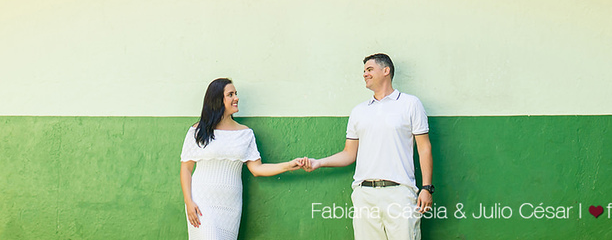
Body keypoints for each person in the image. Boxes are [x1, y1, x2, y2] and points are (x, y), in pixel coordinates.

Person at [304, 53, 434, 240]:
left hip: (399, 193)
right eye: (364, 71)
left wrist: (427, 188)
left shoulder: (410, 104)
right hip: (364, 195)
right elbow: (349, 153)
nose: (365, 74)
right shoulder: (359, 111)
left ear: (386, 70)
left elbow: (424, 148)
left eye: (370, 69)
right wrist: (318, 163)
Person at [180, 78, 304, 240]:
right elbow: (186, 169)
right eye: (230, 94)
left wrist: (289, 165)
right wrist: (189, 202)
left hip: (230, 205)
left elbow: (257, 169)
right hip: (202, 202)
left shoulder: (244, 133)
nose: (236, 98)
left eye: (235, 94)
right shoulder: (198, 131)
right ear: (218, 99)